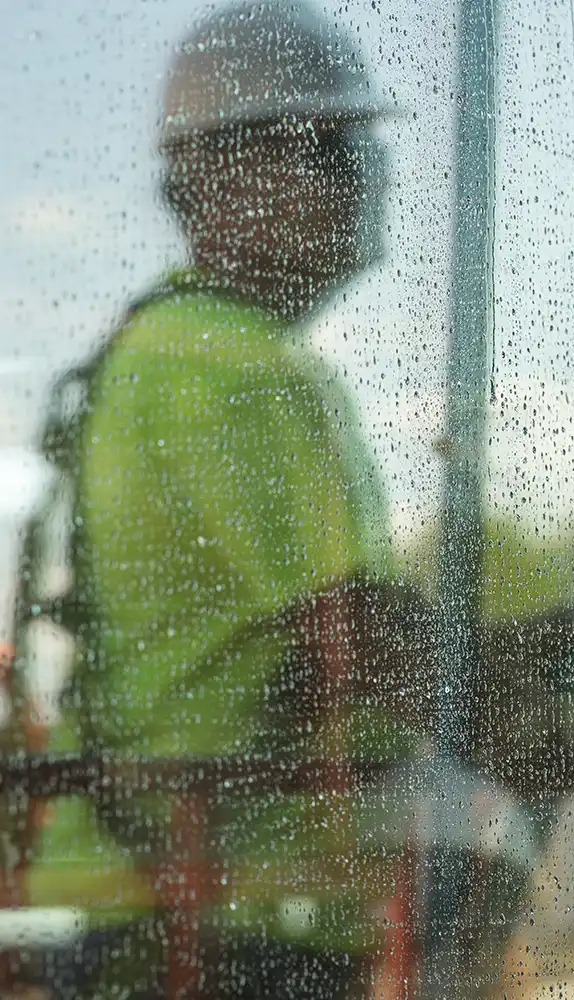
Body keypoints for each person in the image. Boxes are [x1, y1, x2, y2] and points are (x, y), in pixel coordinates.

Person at [25, 3, 419, 997]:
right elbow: (366, 642)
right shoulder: (231, 364)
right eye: (326, 146)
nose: (362, 176)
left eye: (357, 148)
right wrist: (572, 724)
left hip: (173, 896)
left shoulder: (169, 343)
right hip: (215, 916)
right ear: (216, 180)